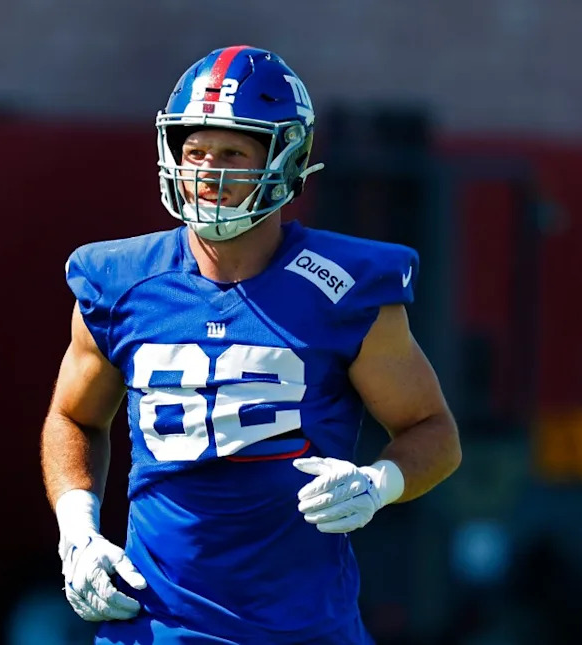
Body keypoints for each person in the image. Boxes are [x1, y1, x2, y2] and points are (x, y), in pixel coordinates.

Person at [40, 45, 462, 644]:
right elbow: (73, 417)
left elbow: (433, 432)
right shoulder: (121, 280)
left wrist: (377, 484)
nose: (207, 172)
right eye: (194, 151)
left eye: (233, 152)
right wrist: (77, 529)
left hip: (305, 627)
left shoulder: (342, 288)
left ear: (286, 161)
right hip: (157, 625)